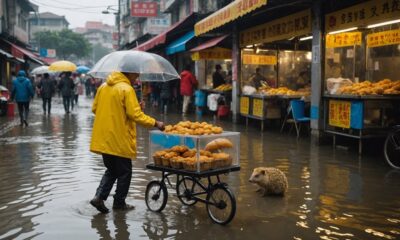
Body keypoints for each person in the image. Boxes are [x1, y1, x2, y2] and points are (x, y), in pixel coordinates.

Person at [89, 71, 164, 213]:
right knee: (125, 172)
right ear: (128, 73)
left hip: (104, 138)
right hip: (119, 138)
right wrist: (156, 123)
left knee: (111, 170)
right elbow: (135, 115)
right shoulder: (127, 89)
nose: (137, 78)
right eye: (136, 75)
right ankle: (119, 203)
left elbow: (95, 109)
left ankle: (99, 197)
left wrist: (129, 108)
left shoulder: (103, 87)